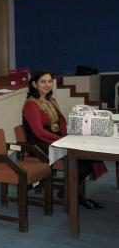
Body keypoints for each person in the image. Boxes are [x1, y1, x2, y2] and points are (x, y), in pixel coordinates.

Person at [22, 69, 107, 210]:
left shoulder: (51, 100)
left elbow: (60, 123)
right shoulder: (31, 104)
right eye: (43, 81)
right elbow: (39, 132)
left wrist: (71, 135)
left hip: (55, 140)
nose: (47, 84)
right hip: (40, 145)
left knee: (87, 153)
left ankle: (70, 191)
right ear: (34, 84)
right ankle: (70, 192)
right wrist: (62, 140)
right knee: (83, 158)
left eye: (50, 81)